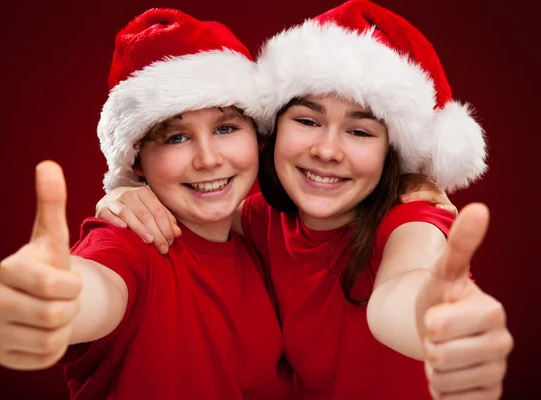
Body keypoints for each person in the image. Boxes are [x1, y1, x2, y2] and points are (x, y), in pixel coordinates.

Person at [94, 1, 513, 399]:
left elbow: (405, 288)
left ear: (392, 153)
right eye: (308, 121)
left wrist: (436, 320)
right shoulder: (260, 221)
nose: (327, 151)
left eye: (360, 131)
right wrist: (126, 191)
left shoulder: (413, 219)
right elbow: (192, 211)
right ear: (271, 133)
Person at [0, 9, 292, 399]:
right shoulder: (131, 243)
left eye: (226, 128)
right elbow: (98, 285)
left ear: (260, 140)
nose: (208, 159)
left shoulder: (261, 241)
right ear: (136, 162)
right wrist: (50, 302)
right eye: (175, 138)